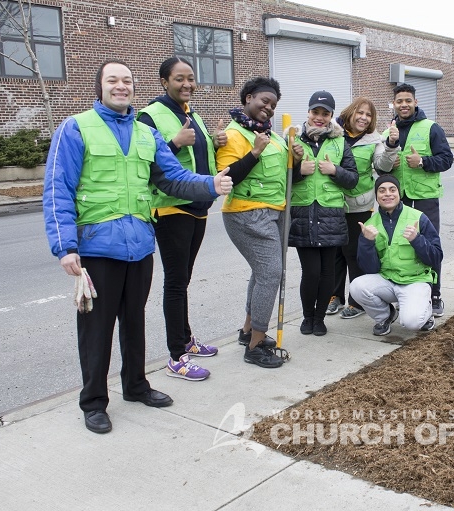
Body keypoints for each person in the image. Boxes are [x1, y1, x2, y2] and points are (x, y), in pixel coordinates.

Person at [42, 59, 233, 434]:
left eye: (127, 80)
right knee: (96, 329)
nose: (120, 86)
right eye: (112, 80)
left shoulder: (146, 132)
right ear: (99, 87)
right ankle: (94, 401)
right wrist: (65, 246)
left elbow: (172, 177)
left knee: (134, 320)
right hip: (97, 248)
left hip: (140, 245)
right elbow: (56, 189)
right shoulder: (76, 128)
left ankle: (136, 385)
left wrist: (210, 185)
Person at [136, 57, 226, 382]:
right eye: (179, 79)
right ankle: (177, 356)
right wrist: (174, 143)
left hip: (198, 206)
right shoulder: (150, 116)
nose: (187, 84)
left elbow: (201, 159)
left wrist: (214, 143)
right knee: (175, 282)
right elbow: (146, 162)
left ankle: (186, 338)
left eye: (190, 78)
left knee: (184, 280)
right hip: (172, 208)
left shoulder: (192, 115)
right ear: (164, 82)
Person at [215, 77, 289, 369]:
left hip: (275, 212)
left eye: (273, 105)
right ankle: (256, 346)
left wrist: (293, 154)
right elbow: (227, 178)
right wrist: (255, 152)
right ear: (248, 98)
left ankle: (248, 332)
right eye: (264, 101)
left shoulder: (273, 136)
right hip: (246, 213)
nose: (268, 108)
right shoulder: (232, 136)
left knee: (262, 273)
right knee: (272, 273)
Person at [289, 90, 358, 336]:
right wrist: (298, 171)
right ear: (308, 112)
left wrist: (334, 170)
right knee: (311, 272)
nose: (319, 117)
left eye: (325, 113)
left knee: (328, 271)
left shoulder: (340, 142)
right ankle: (307, 317)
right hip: (303, 214)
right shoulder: (293, 139)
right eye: (315, 112)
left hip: (331, 214)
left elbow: (352, 180)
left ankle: (320, 319)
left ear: (331, 116)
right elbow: (282, 178)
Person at [382, 83, 452, 318]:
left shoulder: (431, 128)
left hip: (425, 199)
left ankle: (434, 295)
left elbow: (446, 160)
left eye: (408, 101)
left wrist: (422, 161)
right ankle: (406, 292)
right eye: (399, 101)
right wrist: (389, 163)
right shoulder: (388, 132)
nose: (403, 105)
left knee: (429, 246)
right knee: (400, 246)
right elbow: (381, 167)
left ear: (415, 102)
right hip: (397, 200)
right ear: (394, 104)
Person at [325, 97, 400, 319]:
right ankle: (334, 295)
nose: (364, 118)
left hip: (359, 204)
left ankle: (356, 301)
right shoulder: (333, 133)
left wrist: (391, 146)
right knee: (334, 251)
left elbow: (383, 166)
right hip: (333, 201)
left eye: (368, 115)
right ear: (350, 112)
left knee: (354, 252)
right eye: (360, 113)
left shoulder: (374, 140)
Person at [351, 174, 443, 336]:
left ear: (399, 194)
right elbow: (369, 268)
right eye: (382, 191)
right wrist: (367, 243)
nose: (387, 194)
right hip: (388, 280)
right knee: (357, 286)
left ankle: (426, 311)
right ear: (377, 196)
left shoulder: (418, 217)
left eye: (392, 190)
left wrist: (417, 239)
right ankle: (385, 316)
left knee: (411, 323)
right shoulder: (370, 225)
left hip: (415, 280)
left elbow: (436, 257)